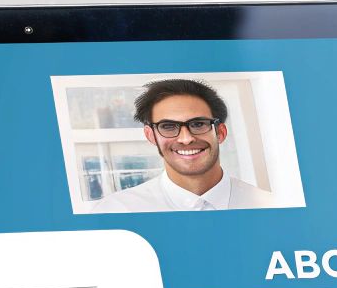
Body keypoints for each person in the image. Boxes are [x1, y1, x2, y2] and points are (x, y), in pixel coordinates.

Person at [87, 79, 283, 212]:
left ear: (221, 132)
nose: (186, 138)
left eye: (198, 124)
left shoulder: (271, 206)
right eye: (168, 126)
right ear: (151, 136)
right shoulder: (116, 211)